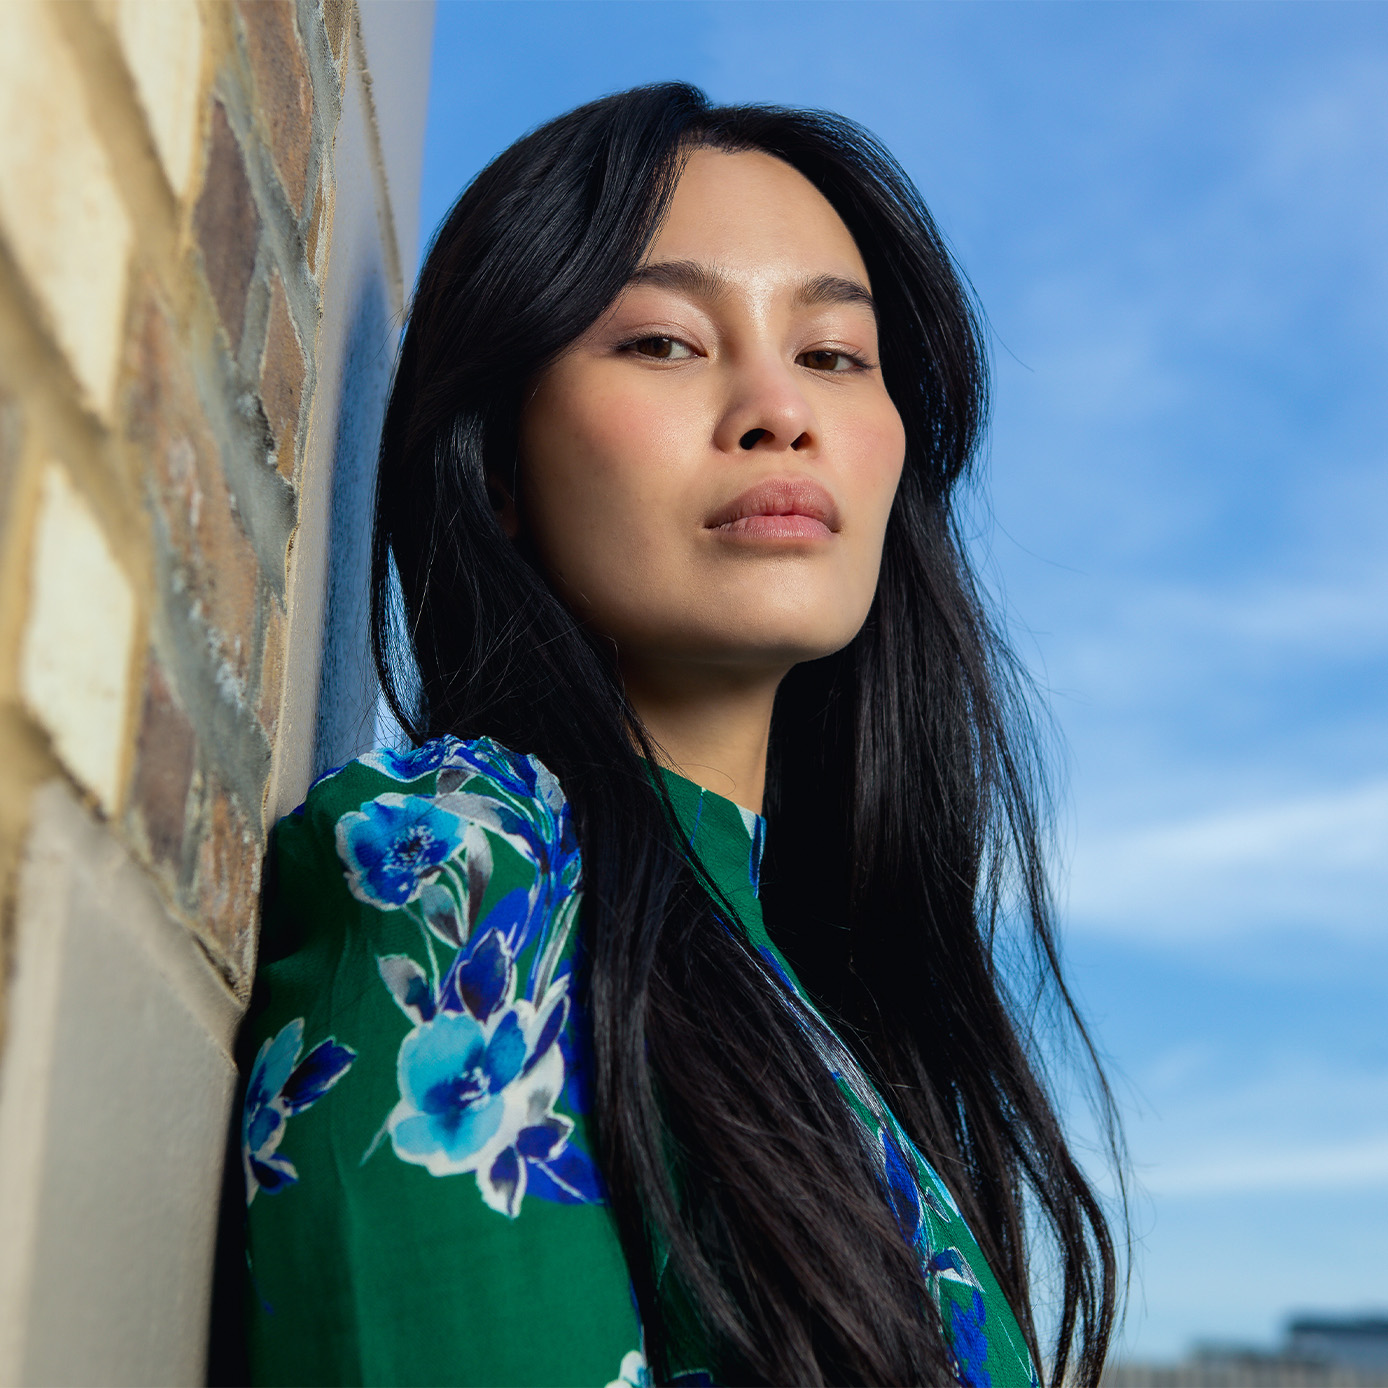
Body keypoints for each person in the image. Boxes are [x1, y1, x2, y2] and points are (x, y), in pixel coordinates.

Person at [232, 83, 1121, 1388]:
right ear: (498, 466)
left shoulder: (820, 991)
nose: (779, 409)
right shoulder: (465, 866)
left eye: (834, 355)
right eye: (663, 341)